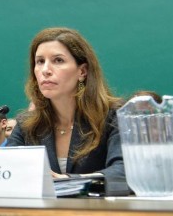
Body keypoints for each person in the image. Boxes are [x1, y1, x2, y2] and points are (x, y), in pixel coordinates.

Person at [8, 27, 124, 179]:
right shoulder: (27, 125)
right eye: (40, 61)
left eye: (58, 60)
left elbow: (123, 171)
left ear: (82, 71)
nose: (45, 70)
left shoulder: (114, 116)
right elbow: (8, 170)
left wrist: (71, 181)